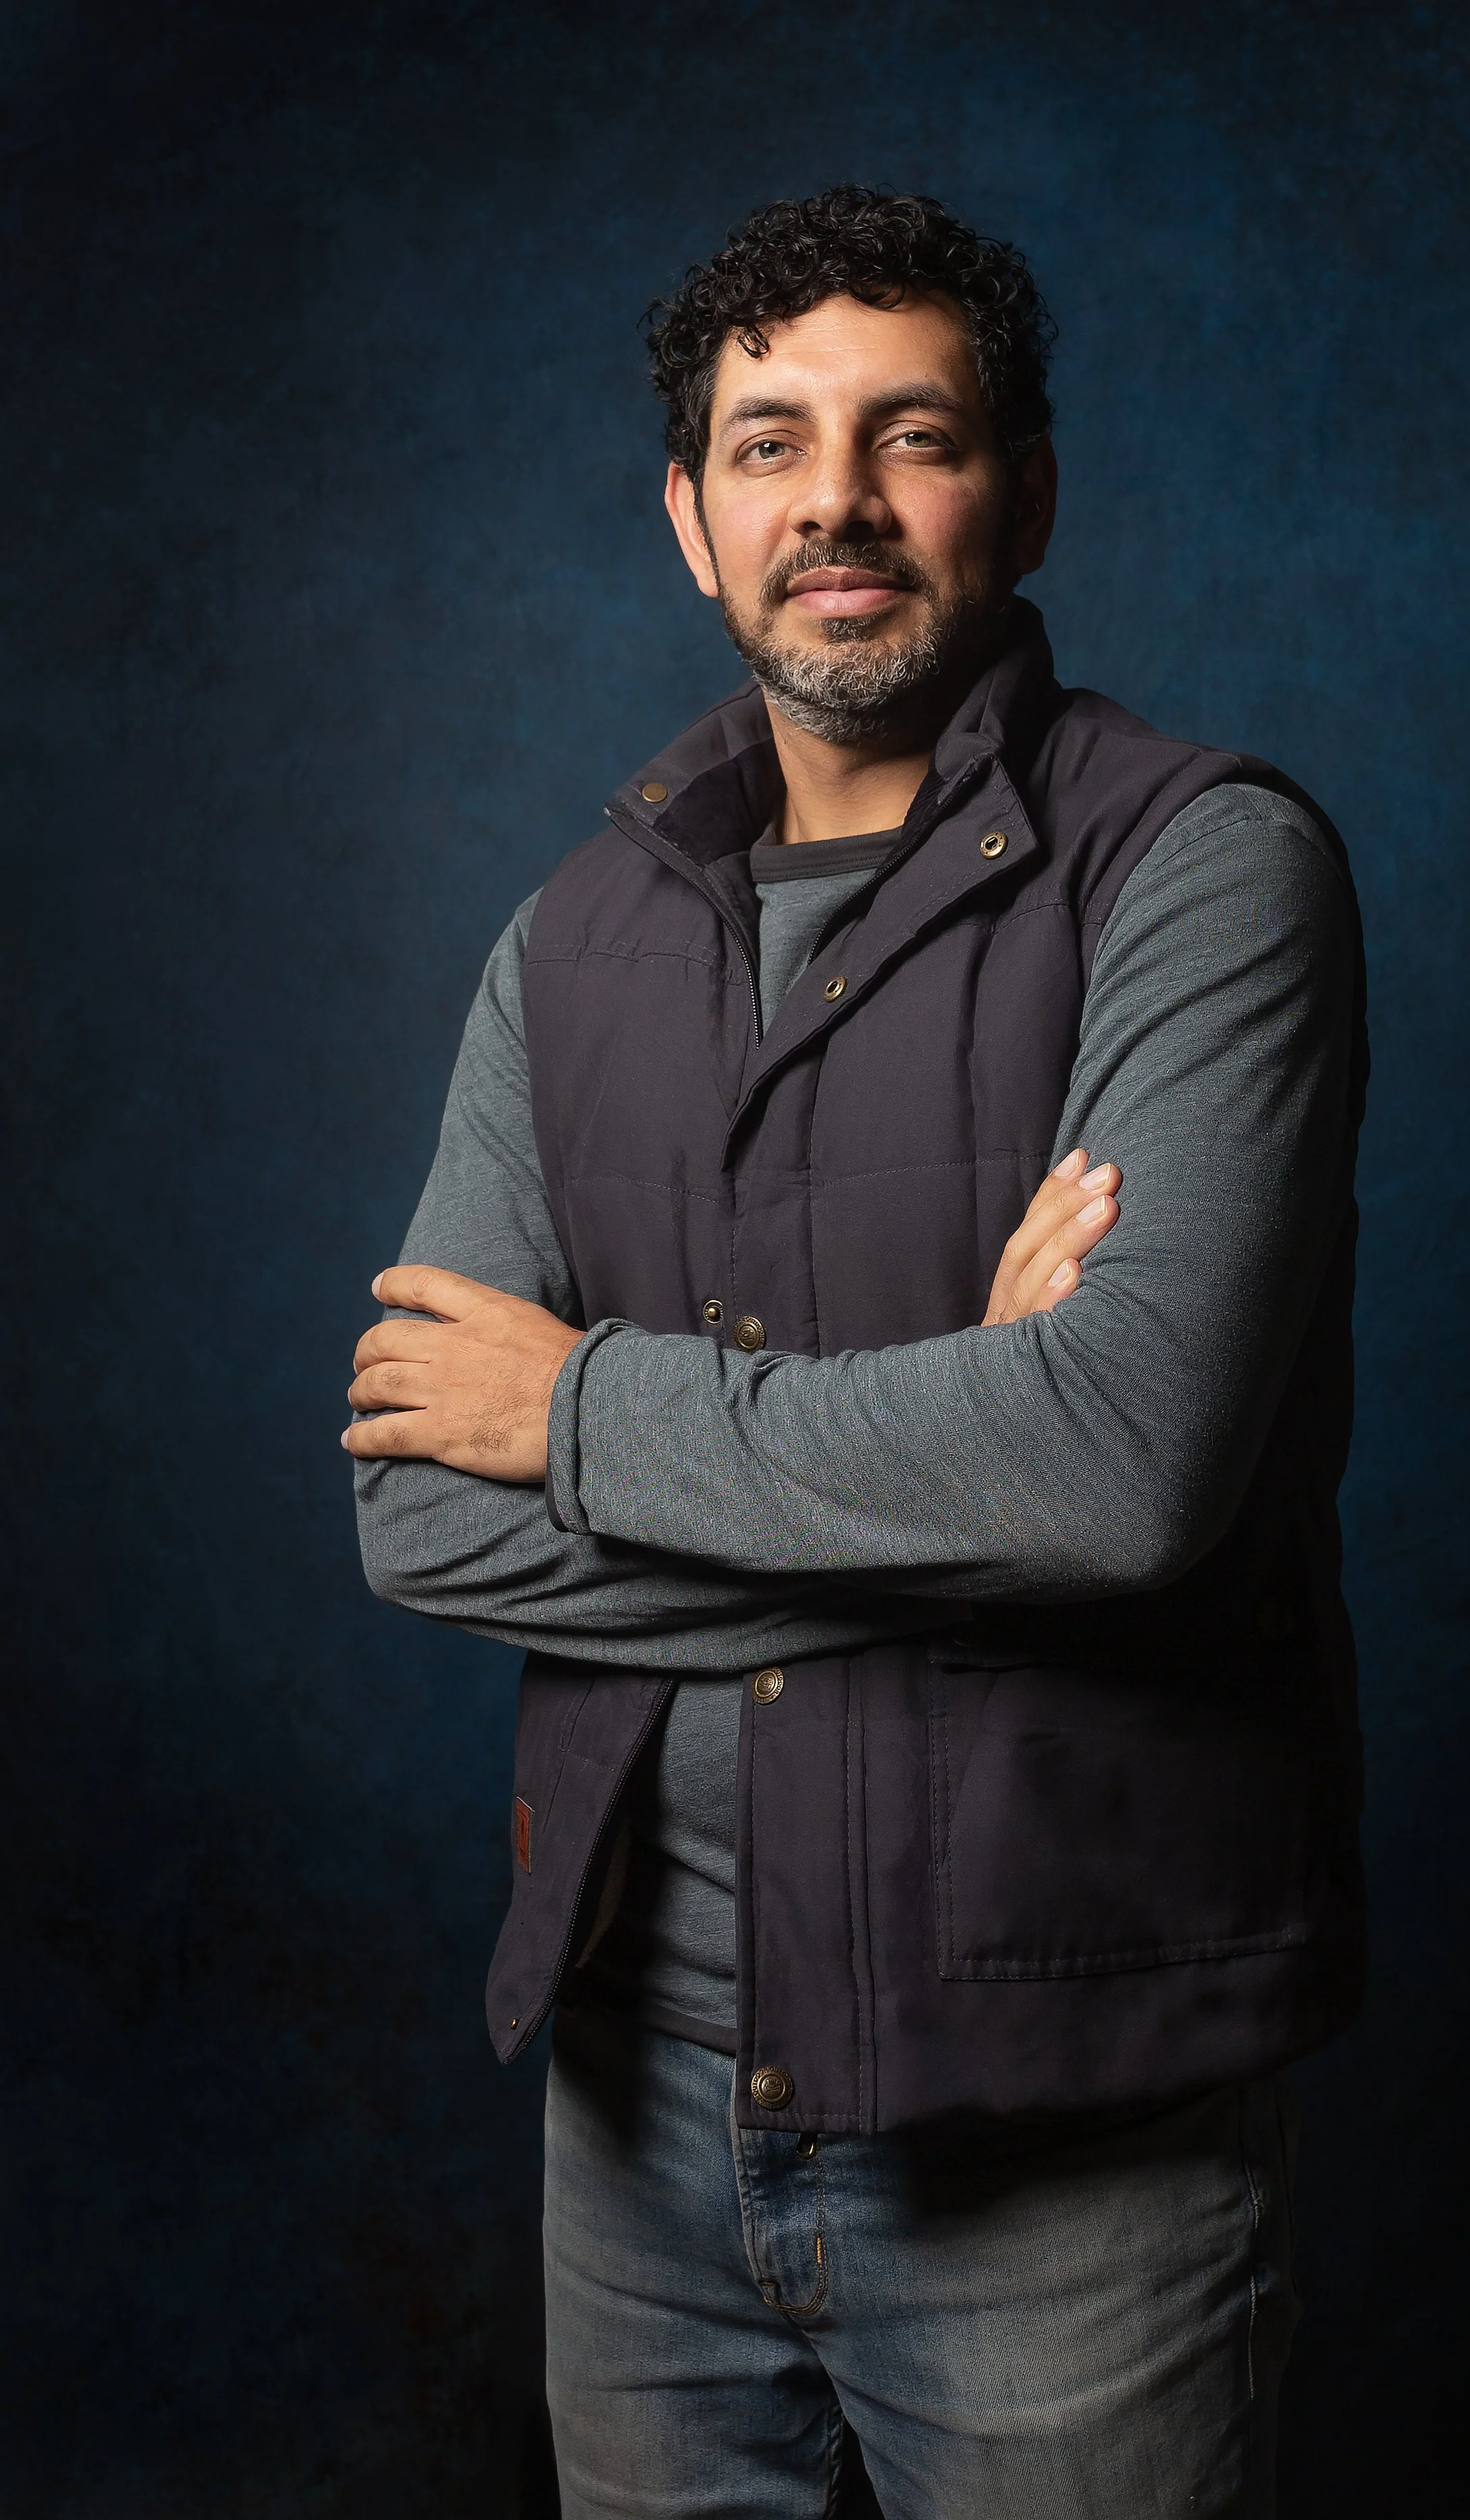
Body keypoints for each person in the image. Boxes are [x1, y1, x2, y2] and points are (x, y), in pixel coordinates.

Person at [346, 185, 1367, 2520]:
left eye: (912, 437)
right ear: (690, 519)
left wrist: (574, 1412)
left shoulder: (1202, 872)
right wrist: (959, 1469)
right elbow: (412, 1505)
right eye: (770, 442)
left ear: (1022, 493)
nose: (836, 501)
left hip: (1067, 2138)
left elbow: (1109, 1469)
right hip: (633, 2106)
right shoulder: (567, 943)